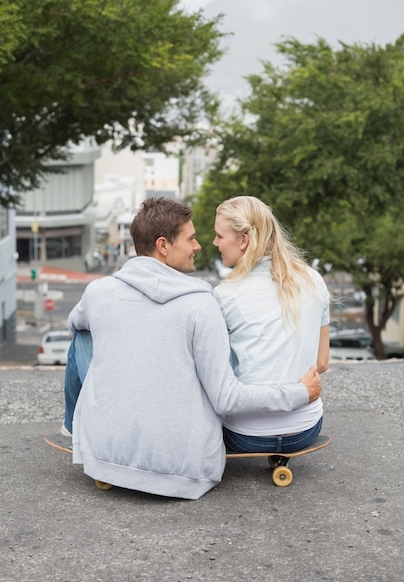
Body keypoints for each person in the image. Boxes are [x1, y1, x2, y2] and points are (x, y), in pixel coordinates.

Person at [63, 197, 322, 500]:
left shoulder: (99, 291)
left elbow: (74, 323)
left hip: (103, 461)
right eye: (190, 238)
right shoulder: (202, 303)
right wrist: (299, 392)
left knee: (82, 337)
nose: (200, 245)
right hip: (186, 474)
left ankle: (75, 429)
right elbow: (225, 397)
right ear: (163, 245)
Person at [213, 196, 330, 454]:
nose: (215, 243)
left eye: (220, 236)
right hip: (305, 429)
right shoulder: (314, 280)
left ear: (243, 240)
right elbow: (321, 363)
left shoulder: (224, 294)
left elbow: (219, 376)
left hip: (245, 435)